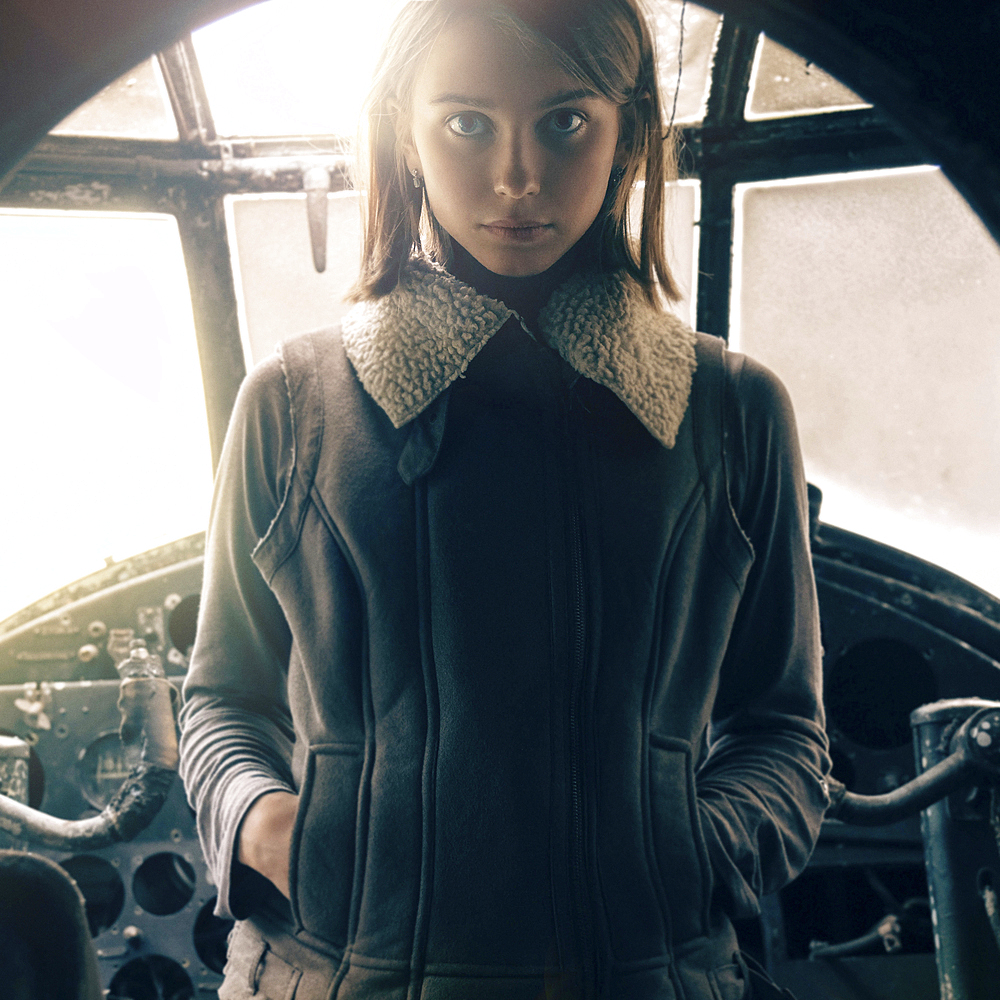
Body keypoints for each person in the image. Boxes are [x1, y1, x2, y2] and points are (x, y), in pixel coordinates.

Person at [179, 1, 831, 997]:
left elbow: (782, 727)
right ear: (405, 129)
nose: (517, 178)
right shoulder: (288, 402)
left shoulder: (733, 411)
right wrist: (269, 824)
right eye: (467, 123)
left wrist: (696, 849)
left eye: (564, 122)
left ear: (626, 132)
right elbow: (224, 697)